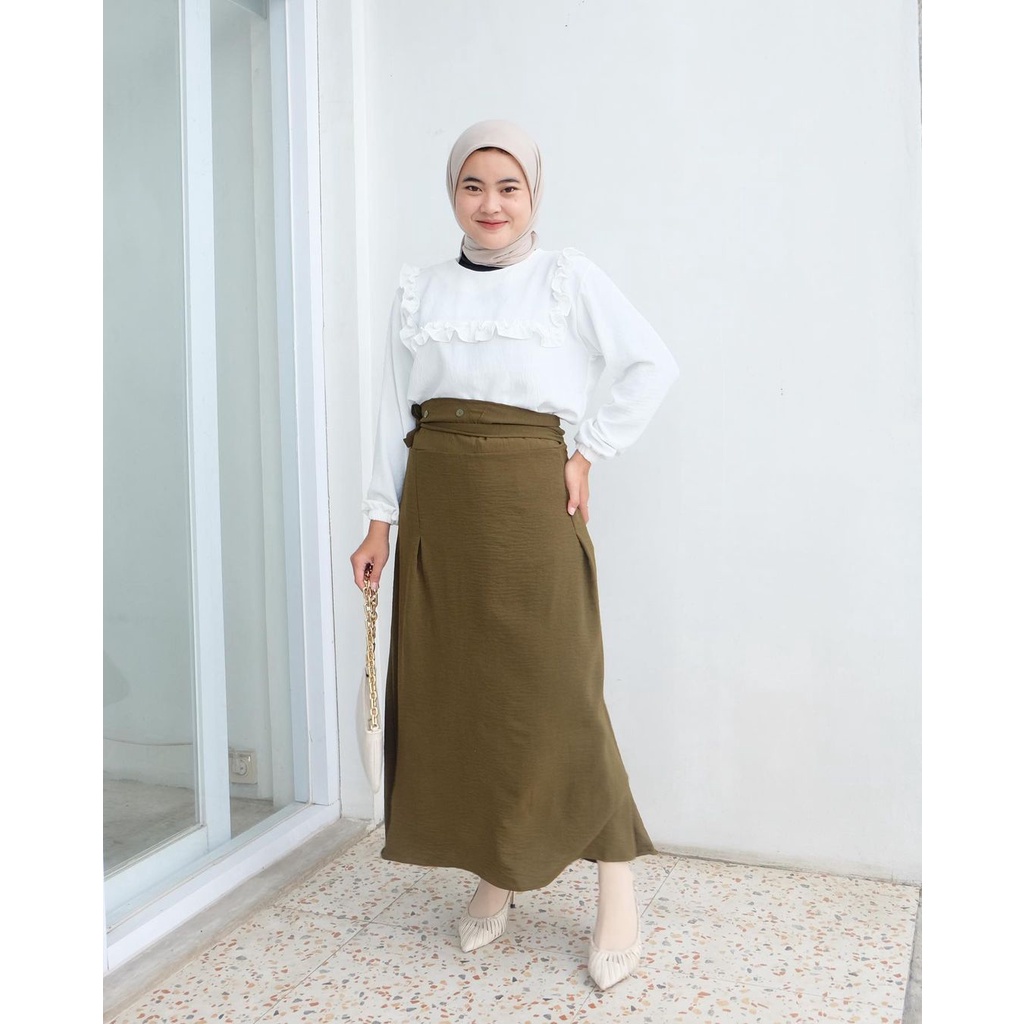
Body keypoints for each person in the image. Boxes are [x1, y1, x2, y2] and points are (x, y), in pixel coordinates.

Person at [350, 119, 679, 991]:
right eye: (472, 185)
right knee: (467, 695)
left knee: (559, 694)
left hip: (530, 503)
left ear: (534, 193)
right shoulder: (419, 290)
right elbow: (392, 410)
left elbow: (650, 363)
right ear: (451, 193)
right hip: (438, 502)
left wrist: (587, 452)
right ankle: (496, 870)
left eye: (508, 186)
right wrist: (380, 520)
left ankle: (616, 884)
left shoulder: (568, 278)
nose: (490, 203)